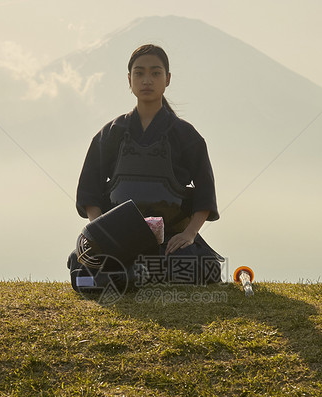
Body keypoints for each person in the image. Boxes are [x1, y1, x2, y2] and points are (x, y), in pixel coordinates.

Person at [69, 44, 222, 287]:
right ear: (129, 80)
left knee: (200, 265)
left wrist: (189, 234)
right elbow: (89, 190)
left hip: (170, 240)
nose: (147, 80)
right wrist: (102, 235)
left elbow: (205, 193)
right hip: (119, 237)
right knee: (81, 262)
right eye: (139, 73)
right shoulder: (111, 133)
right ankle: (136, 276)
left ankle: (124, 278)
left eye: (155, 73)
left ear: (168, 79)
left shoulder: (186, 135)